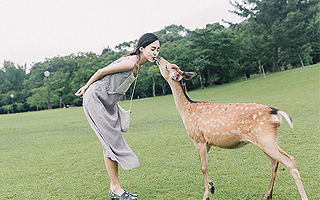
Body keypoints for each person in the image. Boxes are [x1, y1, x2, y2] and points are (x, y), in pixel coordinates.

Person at [75, 33, 160, 200]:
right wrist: (85, 88)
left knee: (112, 141)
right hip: (96, 98)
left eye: (157, 49)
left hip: (109, 103)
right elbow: (101, 71)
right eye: (152, 49)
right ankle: (115, 189)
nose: (155, 53)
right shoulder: (130, 62)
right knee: (111, 141)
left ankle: (115, 189)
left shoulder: (138, 65)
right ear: (141, 48)